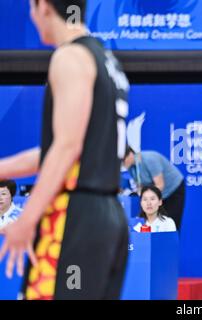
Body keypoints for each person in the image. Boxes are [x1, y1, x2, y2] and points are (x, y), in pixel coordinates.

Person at [0, 0, 129, 299]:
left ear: (42, 6)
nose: (31, 17)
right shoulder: (107, 61)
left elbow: (67, 146)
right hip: (108, 216)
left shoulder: (70, 56)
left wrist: (27, 219)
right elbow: (64, 147)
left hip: (75, 214)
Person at [123, 147, 185, 231]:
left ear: (130, 154)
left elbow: (160, 185)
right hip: (156, 194)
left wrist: (147, 198)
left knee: (170, 223)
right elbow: (140, 186)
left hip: (173, 190)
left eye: (122, 160)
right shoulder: (131, 168)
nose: (122, 164)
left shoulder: (150, 159)